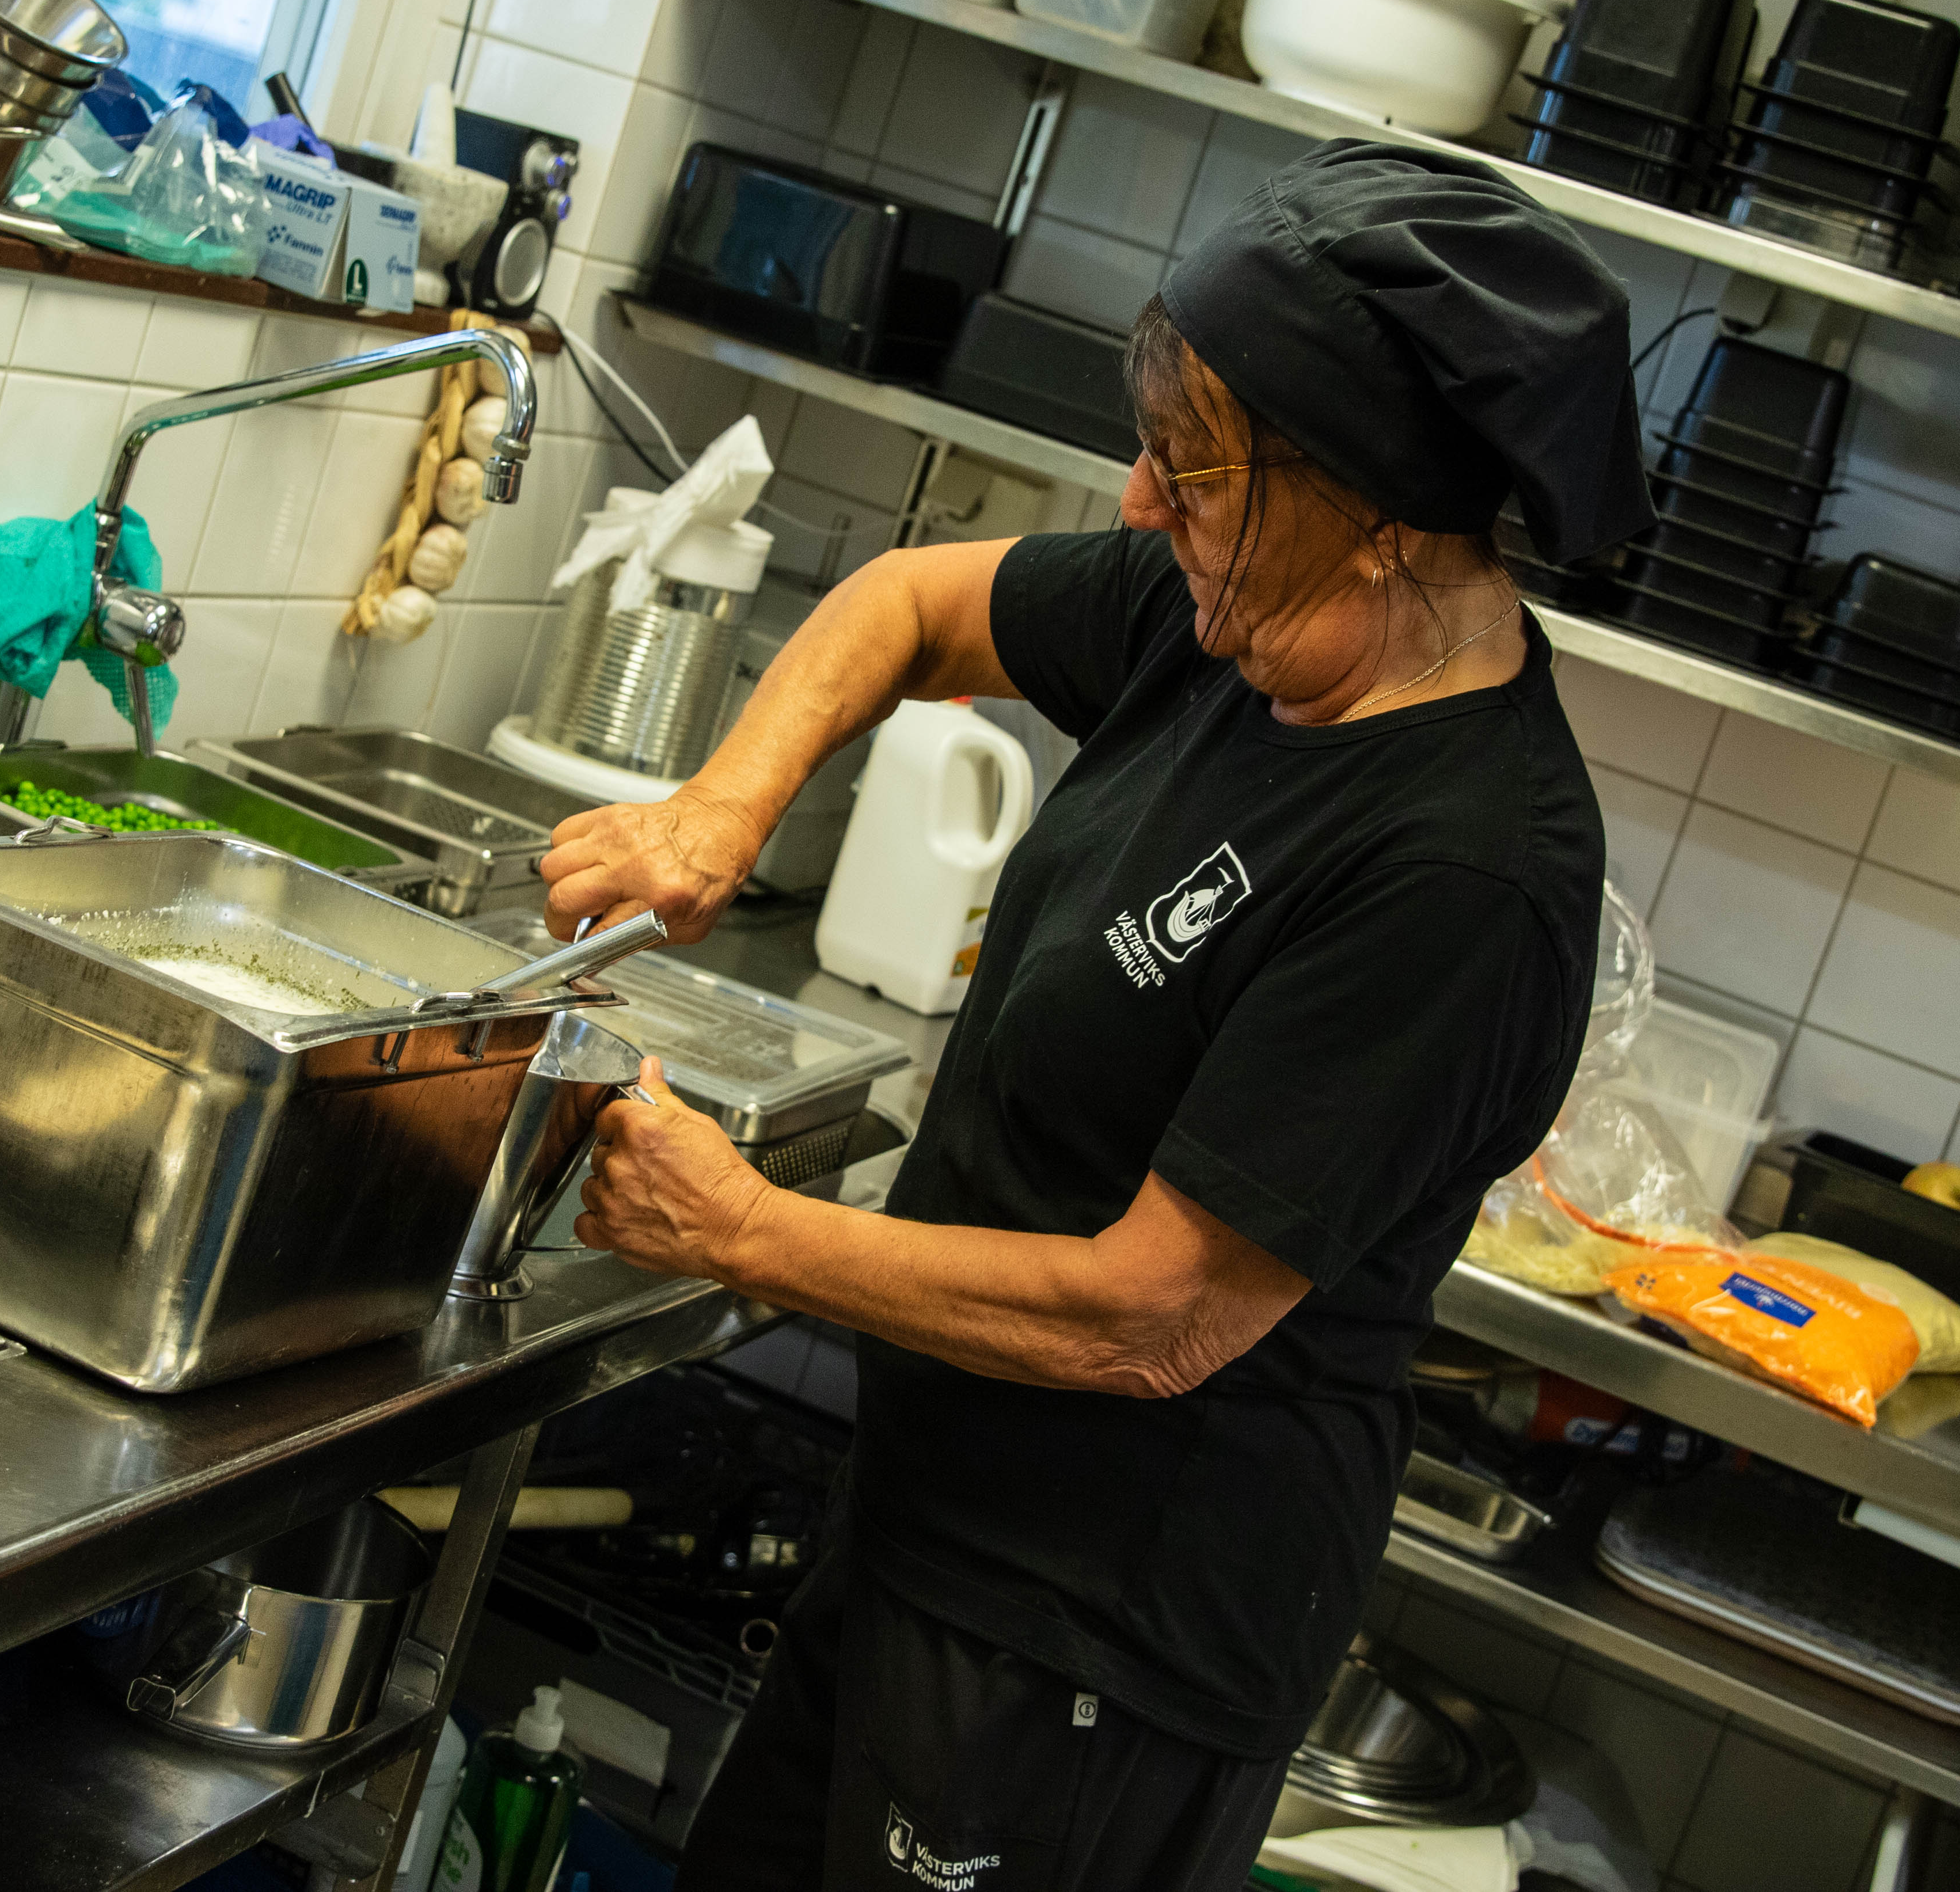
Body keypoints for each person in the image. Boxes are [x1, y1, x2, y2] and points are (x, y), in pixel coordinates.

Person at [537, 140, 1653, 1892]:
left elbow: (1158, 1316)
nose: (1140, 507)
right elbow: (907, 605)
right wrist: (720, 807)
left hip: (1098, 1635)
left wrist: (745, 1235)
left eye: (1192, 474)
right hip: (933, 1520)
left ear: (1375, 512)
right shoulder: (1231, 619)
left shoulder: (1460, 874)